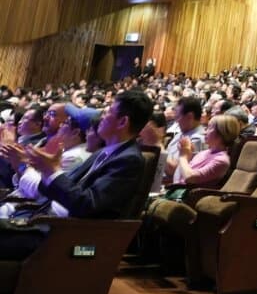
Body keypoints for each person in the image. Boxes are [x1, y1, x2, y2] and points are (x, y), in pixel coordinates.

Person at [0, 90, 153, 260]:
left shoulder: (128, 160)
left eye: (109, 111)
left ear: (123, 121)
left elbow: (87, 204)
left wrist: (51, 171)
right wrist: (43, 170)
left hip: (66, 238)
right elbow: (59, 189)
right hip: (44, 220)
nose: (102, 116)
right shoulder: (104, 152)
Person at [171, 114, 241, 187]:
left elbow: (190, 178)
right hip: (176, 190)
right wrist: (187, 156)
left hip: (190, 196)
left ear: (221, 132)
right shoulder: (203, 153)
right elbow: (177, 178)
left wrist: (183, 157)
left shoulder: (222, 161)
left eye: (209, 128)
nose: (205, 131)